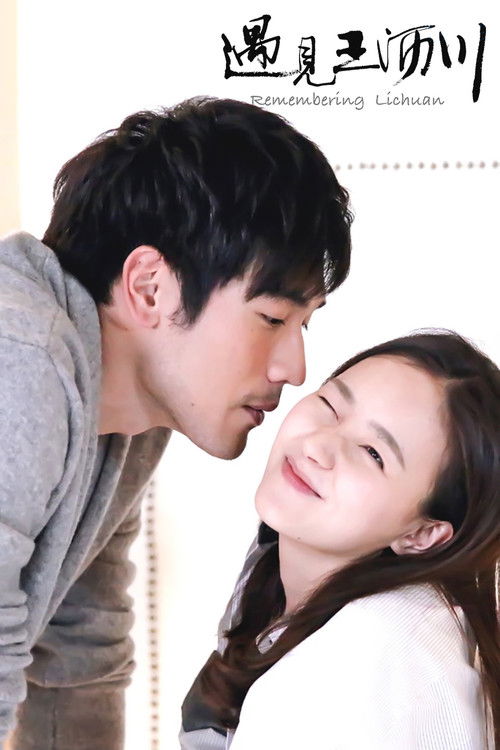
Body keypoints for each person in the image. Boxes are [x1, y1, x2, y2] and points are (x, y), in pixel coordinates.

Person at [0, 96, 352, 749]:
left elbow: (81, 656)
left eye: (303, 326)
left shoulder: (129, 419)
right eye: (273, 318)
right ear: (150, 287)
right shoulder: (21, 357)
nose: (295, 368)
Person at [181, 331, 499, 750]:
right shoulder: (277, 568)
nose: (318, 445)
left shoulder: (363, 660)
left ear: (423, 534)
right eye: (331, 406)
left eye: (373, 453)